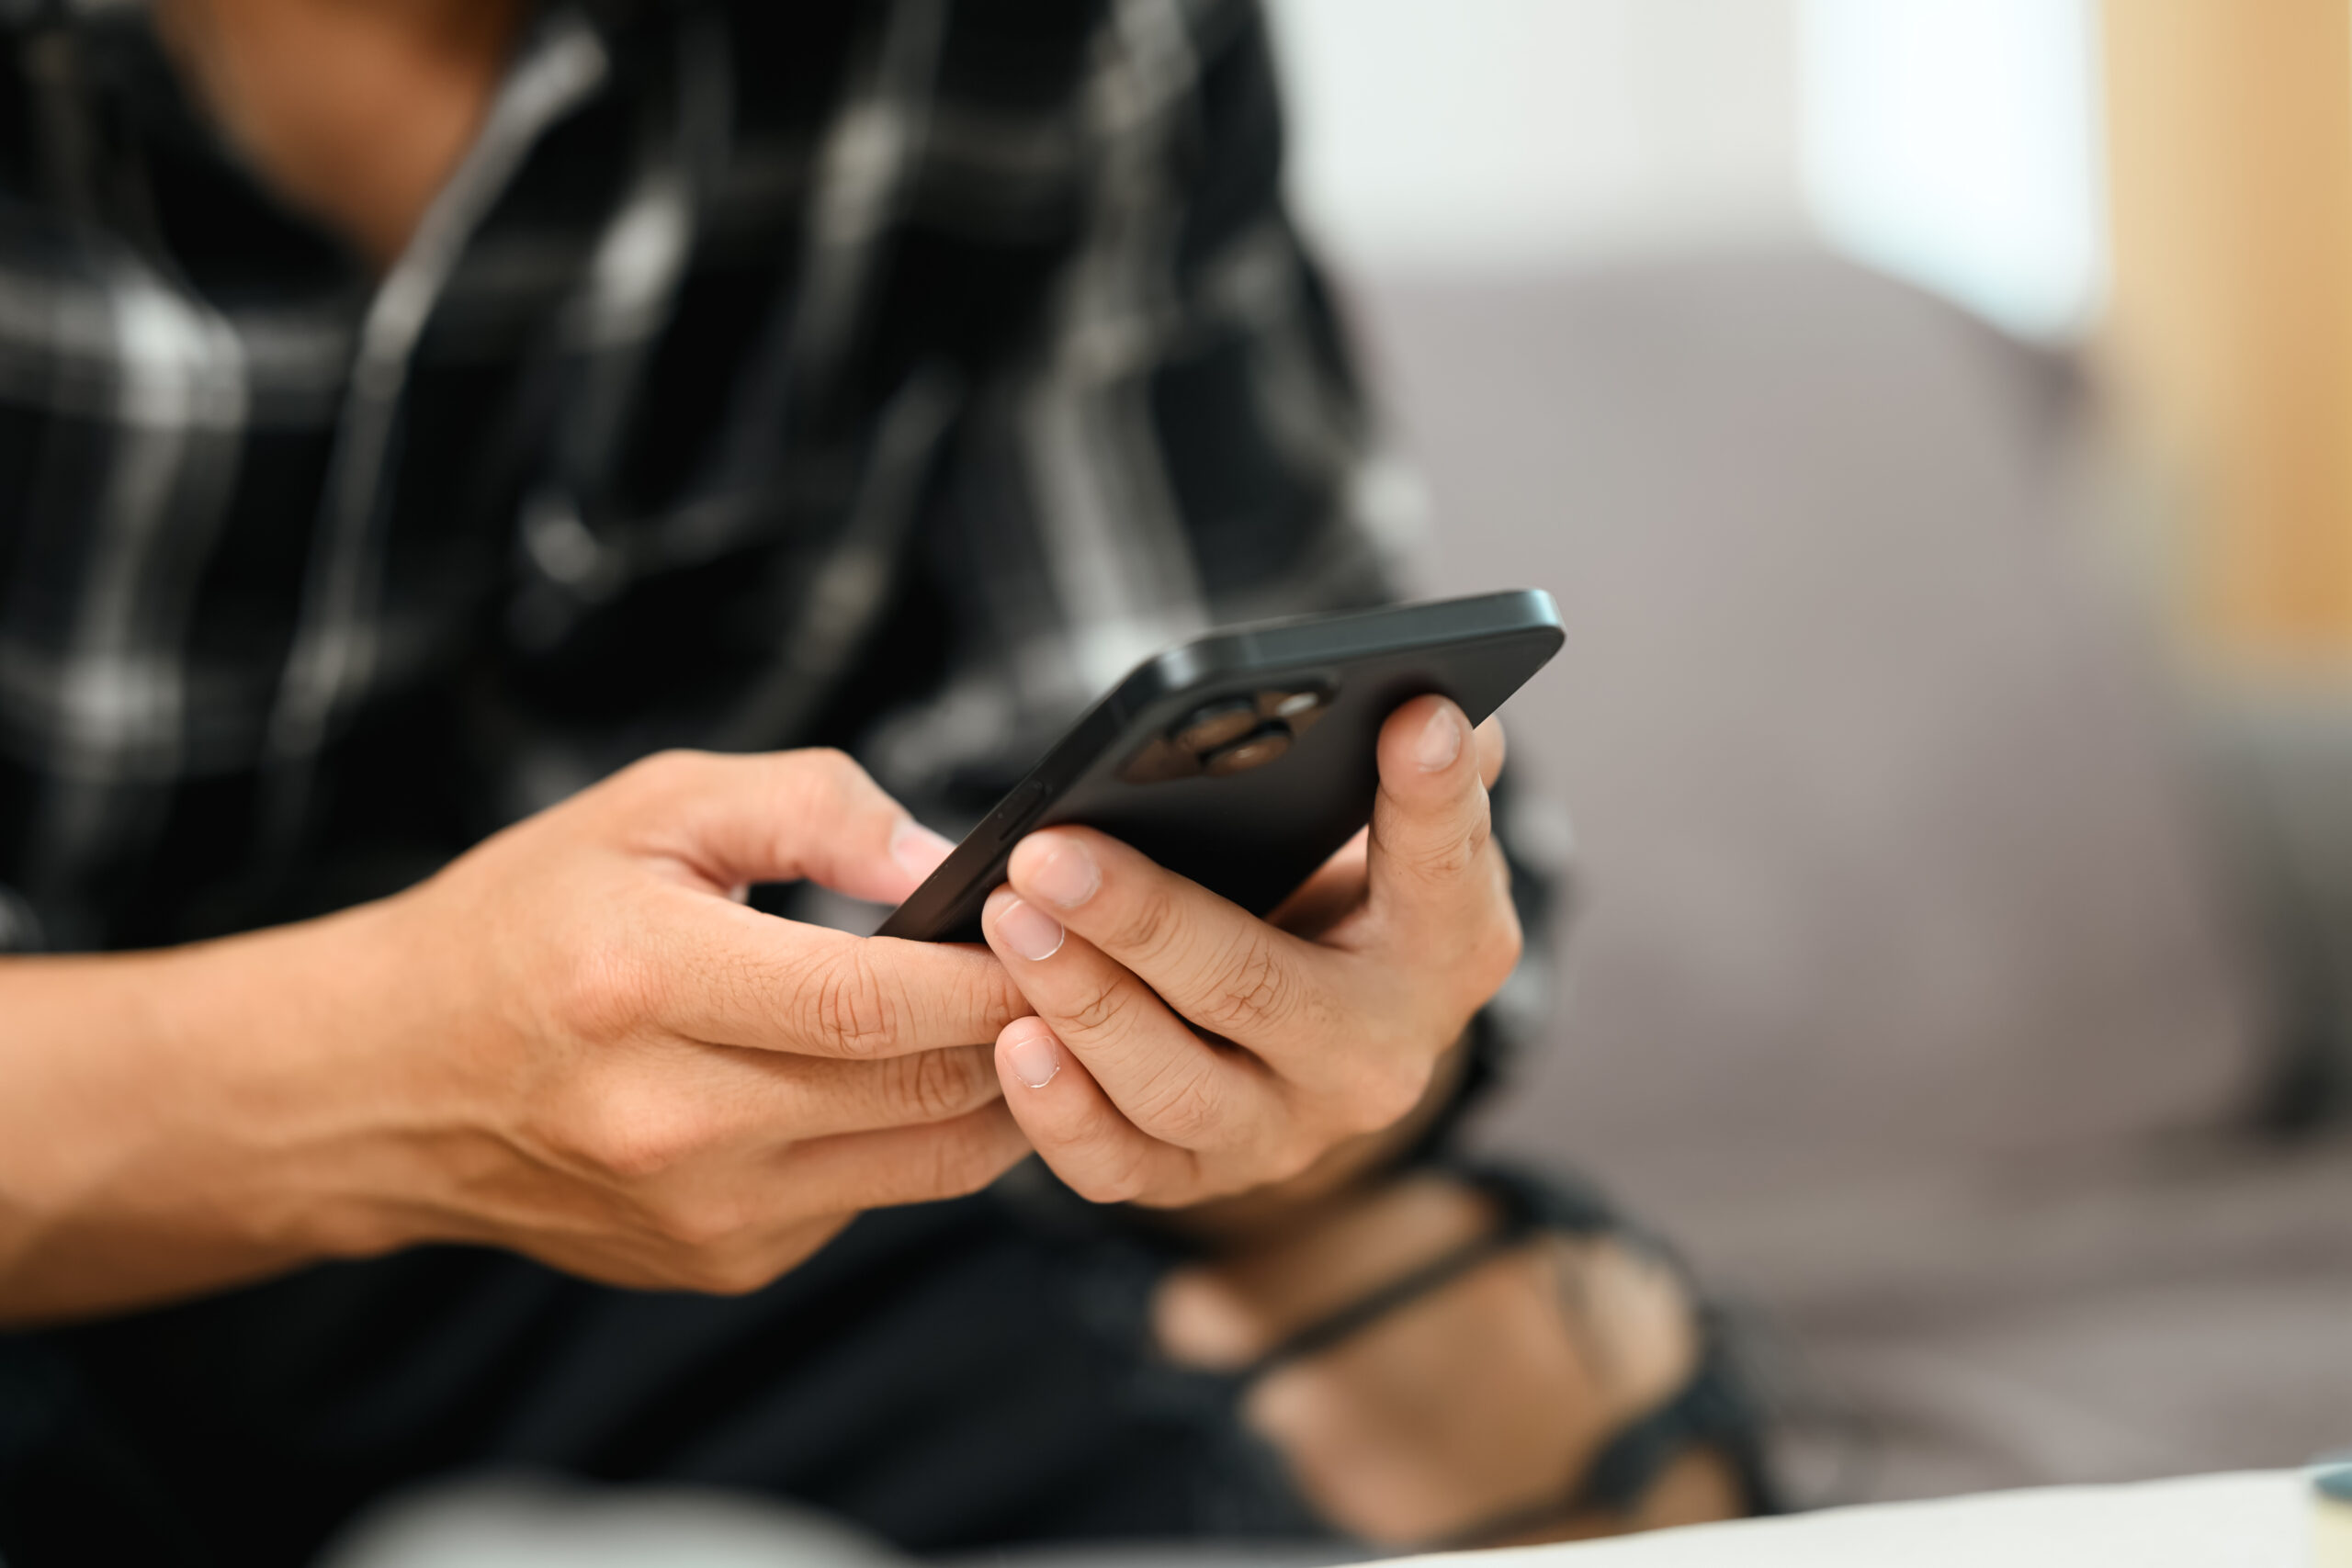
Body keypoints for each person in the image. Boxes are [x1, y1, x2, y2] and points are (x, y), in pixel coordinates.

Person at [0, 0, 1767, 1561]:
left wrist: (1291, 1050)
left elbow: (1211, 795)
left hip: (674, 1223)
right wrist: (383, 1077)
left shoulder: (1058, 34)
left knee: (1510, 1381)